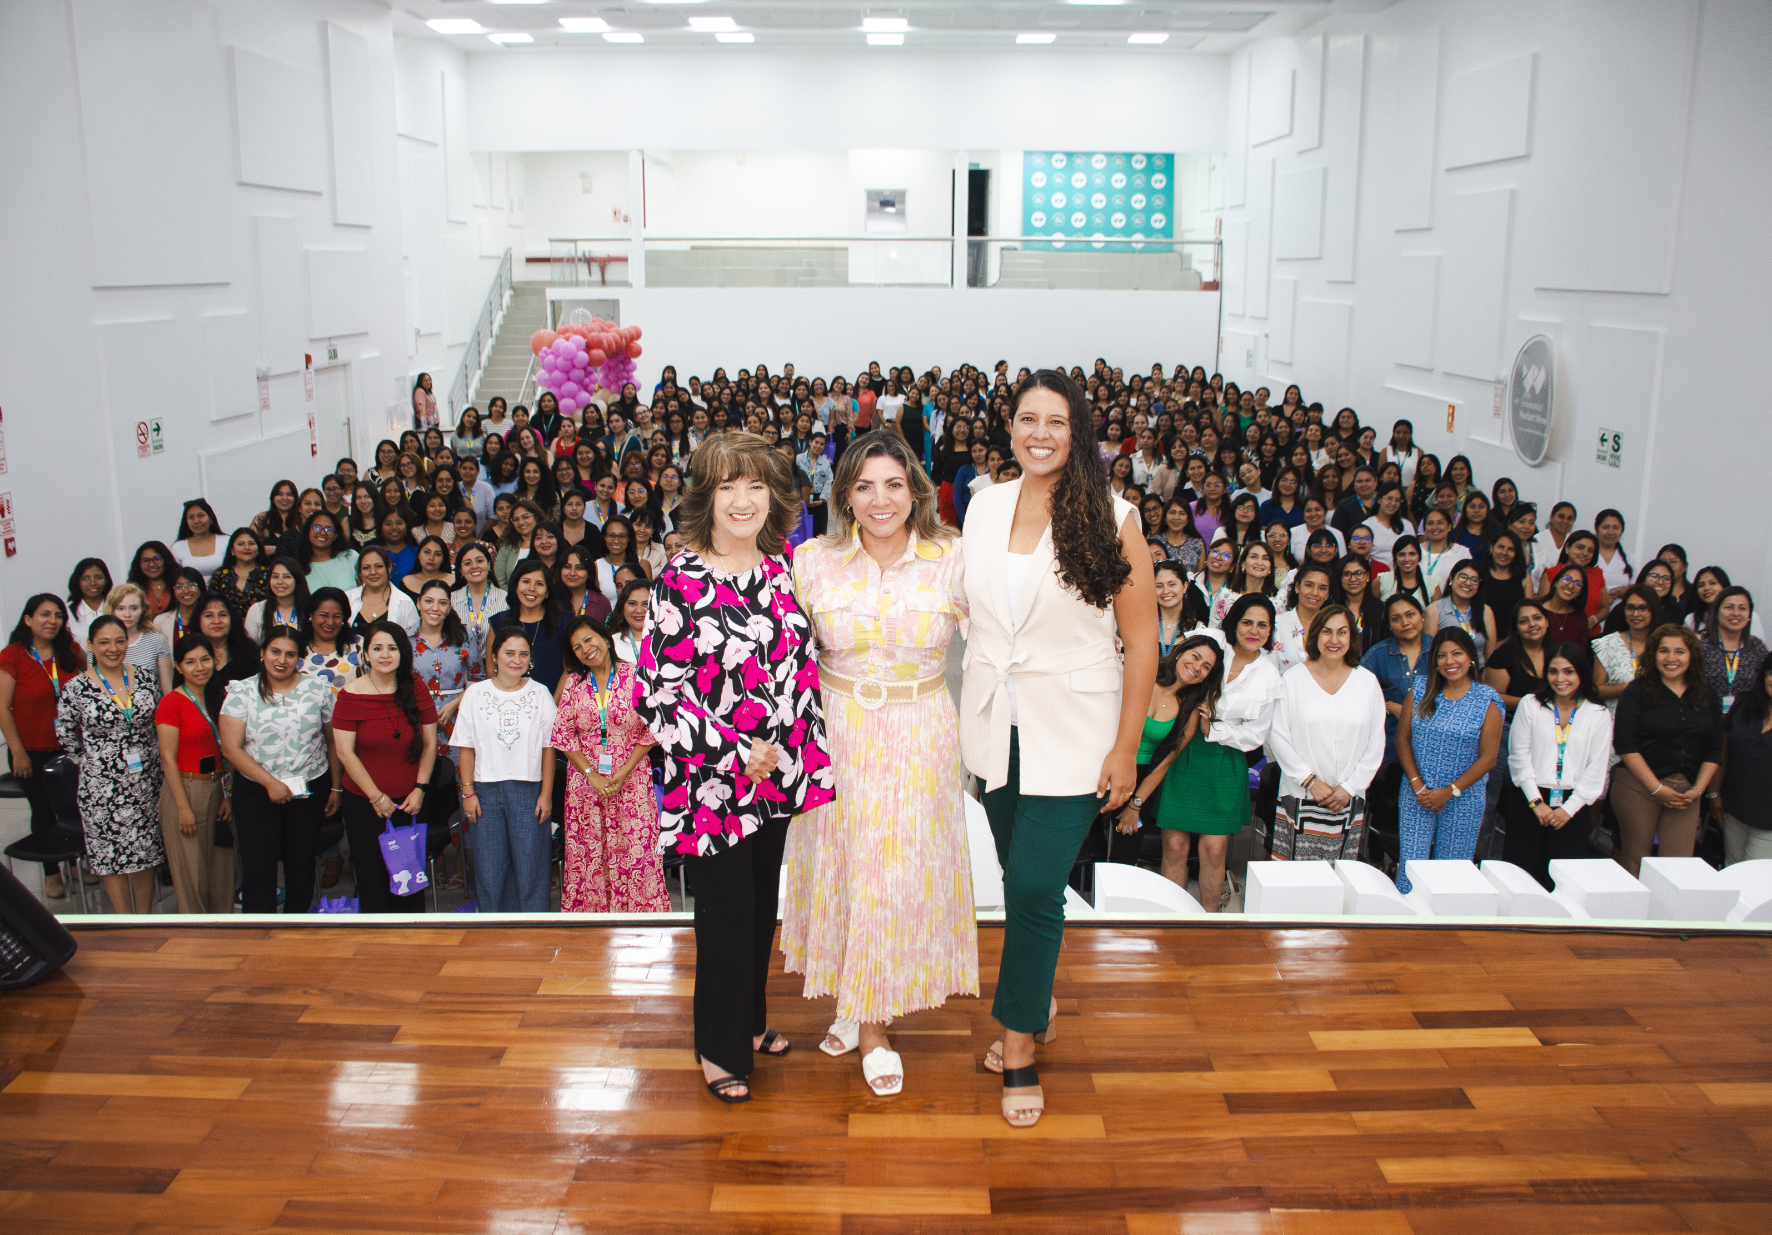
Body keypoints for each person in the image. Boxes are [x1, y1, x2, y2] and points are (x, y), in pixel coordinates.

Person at [958, 370, 1156, 1129]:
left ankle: (1017, 1047)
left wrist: (1127, 747)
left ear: (1079, 435)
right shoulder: (983, 506)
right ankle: (1033, 1011)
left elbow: (1141, 642)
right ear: (1009, 428)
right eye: (1027, 418)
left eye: (1057, 421)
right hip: (994, 727)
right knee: (1021, 880)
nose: (1040, 432)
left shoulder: (1112, 515)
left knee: (1037, 885)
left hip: (1076, 731)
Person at [633, 431, 835, 1106]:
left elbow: (797, 669)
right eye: (727, 485)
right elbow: (655, 693)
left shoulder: (780, 569)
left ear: (773, 496)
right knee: (726, 913)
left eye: (755, 485)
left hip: (774, 775)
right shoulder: (680, 582)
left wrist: (785, 748)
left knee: (760, 907)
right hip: (712, 783)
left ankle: (748, 1021)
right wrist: (734, 751)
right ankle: (717, 1047)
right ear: (705, 497)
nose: (743, 499)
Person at [780, 430, 975, 1098]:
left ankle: (870, 1021)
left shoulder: (952, 559)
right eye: (864, 485)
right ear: (843, 496)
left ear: (915, 490)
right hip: (838, 735)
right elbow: (775, 654)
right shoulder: (812, 561)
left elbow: (1002, 641)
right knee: (849, 866)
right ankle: (864, 1005)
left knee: (895, 870)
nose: (880, 499)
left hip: (920, 733)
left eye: (893, 484)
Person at [547, 618, 666, 913]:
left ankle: (642, 925)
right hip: (585, 785)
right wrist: (592, 775)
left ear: (605, 637)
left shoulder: (638, 675)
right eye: (577, 647)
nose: (586, 649)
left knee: (636, 852)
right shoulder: (573, 684)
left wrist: (623, 772)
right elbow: (562, 734)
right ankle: (592, 927)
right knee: (590, 854)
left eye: (589, 639)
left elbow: (652, 729)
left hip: (632, 781)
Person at [219, 626, 341, 913]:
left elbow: (333, 739)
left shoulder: (319, 689)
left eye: (290, 654)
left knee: (301, 865)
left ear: (300, 658)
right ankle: (260, 939)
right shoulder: (242, 692)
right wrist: (271, 784)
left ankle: (296, 935)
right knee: (258, 869)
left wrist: (336, 787)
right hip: (256, 793)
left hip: (309, 787)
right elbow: (231, 748)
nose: (281, 660)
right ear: (262, 653)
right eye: (275, 651)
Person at [55, 615, 165, 913]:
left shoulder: (144, 677)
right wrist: (94, 764)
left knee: (145, 852)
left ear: (127, 642)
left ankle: (144, 919)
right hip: (101, 788)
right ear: (90, 645)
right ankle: (124, 920)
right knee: (109, 857)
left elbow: (158, 723)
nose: (112, 648)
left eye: (119, 640)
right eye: (103, 642)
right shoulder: (76, 688)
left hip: (145, 782)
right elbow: (65, 733)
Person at [1267, 605, 1388, 863]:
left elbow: (1376, 741)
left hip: (1346, 800)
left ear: (1352, 637)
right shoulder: (1292, 679)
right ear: (1315, 636)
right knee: (1294, 884)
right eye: (1327, 632)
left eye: (1342, 632)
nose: (1334, 640)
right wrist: (1310, 781)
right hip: (1301, 795)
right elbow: (1278, 736)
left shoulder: (1366, 682)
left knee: (1336, 884)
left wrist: (1349, 787)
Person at [332, 622, 439, 913]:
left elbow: (430, 744)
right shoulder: (350, 695)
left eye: (392, 648)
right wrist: (376, 797)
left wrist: (420, 789)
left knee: (409, 884)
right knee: (373, 880)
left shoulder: (416, 688)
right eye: (377, 648)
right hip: (365, 805)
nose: (385, 654)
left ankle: (413, 946)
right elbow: (344, 751)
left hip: (410, 803)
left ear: (403, 653)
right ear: (364, 654)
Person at [454, 625, 556, 913]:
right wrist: (468, 793)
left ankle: (534, 931)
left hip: (529, 790)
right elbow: (466, 747)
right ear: (495, 656)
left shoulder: (541, 694)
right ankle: (493, 930)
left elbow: (549, 748)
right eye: (509, 653)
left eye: (523, 654)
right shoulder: (475, 694)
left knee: (531, 865)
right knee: (489, 867)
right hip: (484, 791)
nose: (516, 660)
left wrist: (546, 794)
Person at [1393, 628, 1505, 893]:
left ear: (1471, 658)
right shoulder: (1420, 689)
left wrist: (1449, 792)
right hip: (1417, 794)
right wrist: (1418, 785)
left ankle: (1445, 931)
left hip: (1462, 798)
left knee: (1451, 874)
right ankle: (1406, 926)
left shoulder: (1487, 699)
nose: (1449, 661)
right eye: (1441, 655)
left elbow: (1488, 759)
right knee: (1411, 867)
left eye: (1457, 653)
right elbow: (1402, 740)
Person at [1611, 624, 1723, 877]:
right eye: (1664, 651)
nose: (1671, 658)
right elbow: (1625, 745)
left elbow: (1715, 748)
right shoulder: (1636, 692)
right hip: (1638, 787)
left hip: (1687, 794)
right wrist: (1657, 788)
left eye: (1679, 651)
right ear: (1653, 654)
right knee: (1635, 862)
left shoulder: (1707, 695)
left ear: (1691, 655)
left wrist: (1697, 790)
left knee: (1678, 869)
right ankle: (1632, 916)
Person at [1503, 645, 1613, 891]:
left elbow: (1597, 768)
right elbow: (1519, 755)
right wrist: (1536, 802)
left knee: (1564, 884)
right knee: (1522, 880)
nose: (1560, 679)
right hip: (1529, 802)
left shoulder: (1598, 714)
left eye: (1568, 671)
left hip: (1572, 807)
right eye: (1553, 671)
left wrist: (1569, 809)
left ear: (1581, 673)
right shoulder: (1530, 704)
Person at [0, 594, 86, 899]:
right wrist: (18, 751)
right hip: (31, 749)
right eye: (44, 615)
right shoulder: (12, 655)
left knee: (77, 805)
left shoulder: (71, 651)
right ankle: (52, 871)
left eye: (58, 615)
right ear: (28, 620)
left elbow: (89, 681)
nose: (52, 621)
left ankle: (76, 862)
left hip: (70, 746)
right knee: (45, 810)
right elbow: (3, 708)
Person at [153, 633, 236, 913]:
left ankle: (223, 932)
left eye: (205, 659)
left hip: (218, 787)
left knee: (222, 870)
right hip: (186, 790)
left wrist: (228, 795)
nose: (200, 667)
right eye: (190, 662)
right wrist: (183, 808)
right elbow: (167, 758)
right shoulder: (172, 703)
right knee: (192, 874)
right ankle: (198, 937)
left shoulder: (220, 697)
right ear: (178, 667)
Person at [410, 580, 480, 755]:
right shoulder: (405, 638)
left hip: (456, 716)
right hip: (415, 715)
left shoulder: (465, 637)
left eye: (442, 603)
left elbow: (477, 678)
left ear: (449, 608)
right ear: (418, 603)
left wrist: (454, 705)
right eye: (428, 601)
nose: (435, 608)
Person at [1714, 659, 1772, 865]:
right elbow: (1723, 752)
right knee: (1732, 871)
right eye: (1771, 673)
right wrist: (1715, 795)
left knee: (1754, 883)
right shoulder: (1744, 704)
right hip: (1734, 811)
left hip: (1769, 823)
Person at [489, 559, 566, 693]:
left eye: (539, 584)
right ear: (515, 586)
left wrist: (553, 706)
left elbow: (570, 670)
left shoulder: (565, 620)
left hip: (554, 702)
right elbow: (491, 670)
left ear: (547, 592)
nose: (531, 588)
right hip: (509, 700)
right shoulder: (499, 621)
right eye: (526, 581)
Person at [1593, 584, 1658, 717]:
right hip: (1617, 719)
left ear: (1654, 610)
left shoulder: (1663, 643)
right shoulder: (1607, 643)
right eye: (1630, 608)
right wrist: (1629, 688)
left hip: (1655, 719)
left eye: (1643, 608)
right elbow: (1597, 689)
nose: (1635, 614)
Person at [1699, 588, 1765, 715]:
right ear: (1716, 612)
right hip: (1704, 719)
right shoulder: (1699, 644)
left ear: (1749, 615)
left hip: (1745, 720)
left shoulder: (1757, 647)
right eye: (1729, 607)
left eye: (1742, 608)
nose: (1736, 613)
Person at [1483, 599, 1553, 715]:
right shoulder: (1502, 656)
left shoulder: (1557, 653)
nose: (1532, 624)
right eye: (1523, 621)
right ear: (1516, 628)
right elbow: (1494, 698)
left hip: (1551, 719)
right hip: (1510, 722)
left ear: (1547, 622)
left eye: (1537, 618)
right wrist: (1533, 703)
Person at [104, 583, 173, 695]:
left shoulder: (156, 640)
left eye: (134, 608)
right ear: (112, 610)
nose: (127, 614)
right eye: (121, 608)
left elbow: (168, 690)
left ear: (143, 609)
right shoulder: (100, 642)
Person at [1425, 560, 1494, 668]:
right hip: (1448, 673)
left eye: (1474, 579)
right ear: (1451, 578)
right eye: (1463, 577)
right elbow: (1430, 653)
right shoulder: (1435, 610)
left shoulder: (1485, 611)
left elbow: (1490, 657)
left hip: (1479, 675)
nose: (1468, 583)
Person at [1273, 563, 1333, 673]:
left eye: (1322, 588)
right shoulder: (1277, 624)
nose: (1315, 593)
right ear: (1297, 587)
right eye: (1309, 585)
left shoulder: (1332, 627)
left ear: (1328, 594)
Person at [347, 546, 419, 637]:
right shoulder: (347, 598)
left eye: (379, 566)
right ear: (360, 572)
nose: (373, 572)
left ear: (388, 568)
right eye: (366, 567)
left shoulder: (405, 602)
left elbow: (414, 641)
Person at [450, 542, 508, 643]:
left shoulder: (505, 599)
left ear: (489, 564)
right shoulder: (451, 600)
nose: (474, 566)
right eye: (468, 563)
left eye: (479, 561)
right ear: (461, 571)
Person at [245, 558, 310, 644]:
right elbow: (250, 649)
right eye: (275, 576)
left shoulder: (309, 609)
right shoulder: (256, 610)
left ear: (297, 580)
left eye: (287, 577)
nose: (279, 582)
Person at [296, 509, 359, 592]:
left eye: (329, 529)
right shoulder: (298, 566)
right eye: (317, 527)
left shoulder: (350, 557)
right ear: (308, 531)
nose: (322, 533)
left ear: (335, 535)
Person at [171, 499, 226, 582]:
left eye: (201, 515)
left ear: (210, 517)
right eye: (191, 517)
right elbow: (174, 577)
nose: (196, 521)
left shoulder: (227, 541)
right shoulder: (178, 547)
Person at [152, 568, 205, 651]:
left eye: (191, 585)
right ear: (173, 592)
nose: (186, 590)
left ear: (201, 589)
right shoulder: (161, 621)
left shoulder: (211, 618)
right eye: (179, 586)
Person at [1542, 563, 1595, 646]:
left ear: (1580, 593)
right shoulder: (1537, 610)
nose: (1570, 586)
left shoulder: (1581, 618)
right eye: (1567, 579)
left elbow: (1581, 653)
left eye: (1578, 584)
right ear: (1555, 582)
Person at [610, 578, 649, 663]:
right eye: (632, 603)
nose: (639, 610)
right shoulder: (611, 643)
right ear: (622, 606)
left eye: (645, 604)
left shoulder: (669, 641)